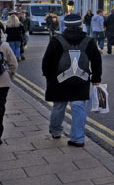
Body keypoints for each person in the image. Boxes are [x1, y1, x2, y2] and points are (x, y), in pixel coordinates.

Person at [42, 13, 102, 147]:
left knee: (58, 106)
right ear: (80, 25)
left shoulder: (57, 40)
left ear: (66, 25)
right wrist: (96, 78)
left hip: (59, 80)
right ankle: (78, 138)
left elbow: (47, 61)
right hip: (81, 80)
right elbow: (97, 61)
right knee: (78, 106)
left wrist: (49, 77)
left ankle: (56, 131)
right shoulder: (89, 41)